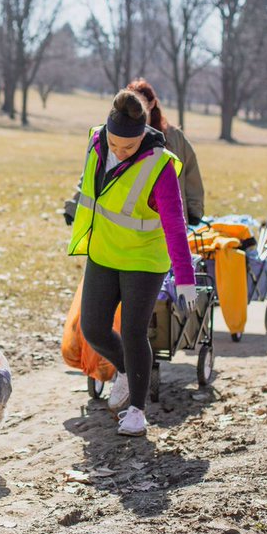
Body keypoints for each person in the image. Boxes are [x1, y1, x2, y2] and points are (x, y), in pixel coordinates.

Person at [65, 87, 198, 436]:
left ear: (143, 135)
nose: (120, 151)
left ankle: (137, 411)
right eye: (115, 143)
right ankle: (125, 370)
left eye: (129, 146)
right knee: (92, 327)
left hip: (144, 258)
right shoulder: (96, 141)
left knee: (134, 330)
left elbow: (175, 223)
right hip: (104, 252)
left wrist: (185, 277)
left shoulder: (161, 164)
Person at [130, 78, 205, 225]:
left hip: (171, 217)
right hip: (136, 220)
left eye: (140, 104)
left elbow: (191, 171)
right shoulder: (123, 138)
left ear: (152, 103)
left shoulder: (174, 136)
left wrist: (194, 209)